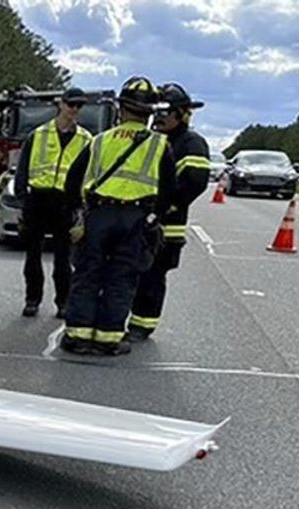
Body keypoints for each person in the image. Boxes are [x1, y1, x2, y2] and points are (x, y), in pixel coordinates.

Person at [59, 76, 176, 356]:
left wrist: (79, 213)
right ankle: (109, 338)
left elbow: (72, 182)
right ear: (149, 114)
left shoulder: (99, 141)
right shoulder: (160, 145)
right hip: (136, 219)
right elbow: (169, 191)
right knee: (121, 277)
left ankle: (77, 335)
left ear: (121, 109)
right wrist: (153, 216)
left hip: (99, 215)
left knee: (87, 274)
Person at [127, 83, 210, 341]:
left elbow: (194, 183)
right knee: (132, 273)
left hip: (166, 226)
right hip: (139, 220)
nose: (160, 118)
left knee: (152, 277)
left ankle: (142, 326)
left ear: (183, 114)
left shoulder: (191, 143)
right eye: (158, 112)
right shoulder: (152, 139)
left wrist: (161, 207)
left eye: (168, 112)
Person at [13, 88, 93, 318]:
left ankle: (63, 302)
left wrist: (81, 208)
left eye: (79, 106)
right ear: (61, 104)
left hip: (65, 202)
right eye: (71, 105)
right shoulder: (39, 134)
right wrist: (22, 200)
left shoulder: (85, 139)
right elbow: (23, 169)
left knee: (63, 258)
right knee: (33, 256)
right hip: (38, 199)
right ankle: (32, 299)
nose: (75, 110)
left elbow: (88, 174)